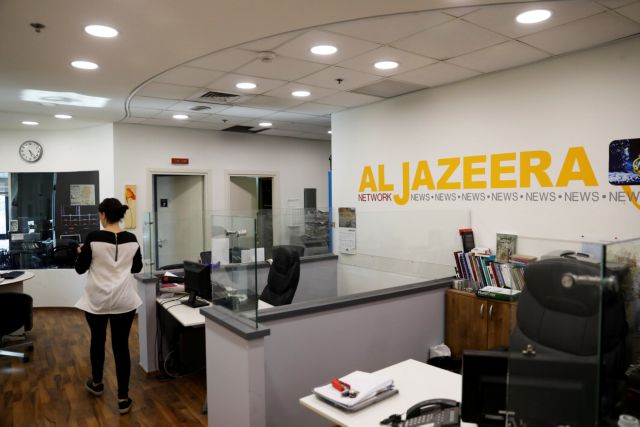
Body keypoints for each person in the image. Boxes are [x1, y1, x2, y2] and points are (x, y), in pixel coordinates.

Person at [74, 198, 143, 415]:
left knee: (97, 340)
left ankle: (97, 383)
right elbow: (137, 268)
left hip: (97, 300)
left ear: (103, 214)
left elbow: (80, 269)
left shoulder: (93, 238)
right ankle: (123, 398)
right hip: (124, 301)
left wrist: (81, 253)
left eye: (99, 214)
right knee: (121, 347)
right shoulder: (132, 239)